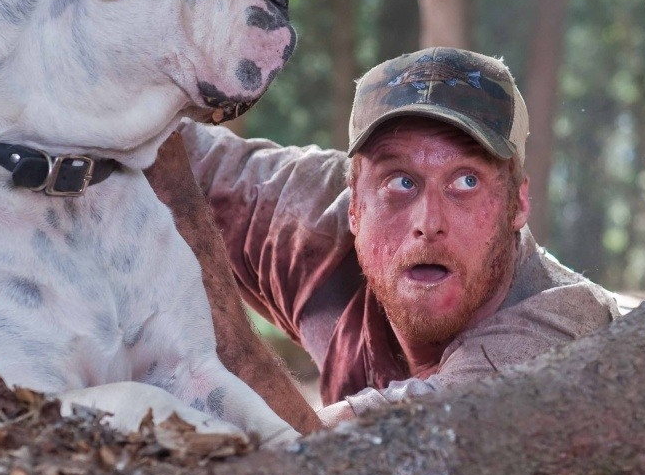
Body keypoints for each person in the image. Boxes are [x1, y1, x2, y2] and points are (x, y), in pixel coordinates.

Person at [179, 47, 619, 425]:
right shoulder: (314, 217)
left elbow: (348, 444)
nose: (429, 222)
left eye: (466, 182)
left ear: (518, 205)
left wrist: (232, 346)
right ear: (353, 205)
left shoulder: (560, 329)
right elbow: (162, 144)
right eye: (401, 182)